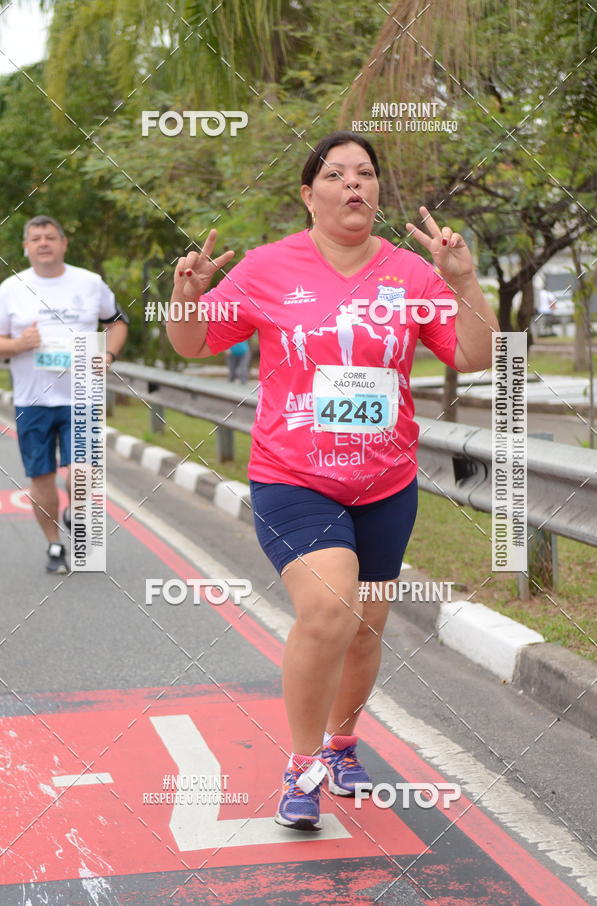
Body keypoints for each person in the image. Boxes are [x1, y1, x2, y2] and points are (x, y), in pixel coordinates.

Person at [167, 132, 499, 831]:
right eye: (338, 174)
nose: (355, 184)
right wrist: (187, 298)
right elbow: (193, 343)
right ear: (308, 194)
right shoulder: (264, 269)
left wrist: (464, 281)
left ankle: (342, 744)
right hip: (294, 476)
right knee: (329, 608)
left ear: (378, 192)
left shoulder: (412, 275)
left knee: (366, 625)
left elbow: (472, 355)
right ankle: (302, 766)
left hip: (385, 481)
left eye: (367, 174)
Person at [0, 215, 129, 574]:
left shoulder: (89, 283)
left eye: (51, 237)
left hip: (82, 395)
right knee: (40, 479)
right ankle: (55, 545)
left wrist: (108, 355)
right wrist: (18, 343)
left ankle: (75, 511)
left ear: (63, 243)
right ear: (25, 246)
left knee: (80, 474)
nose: (44, 243)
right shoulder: (10, 288)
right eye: (36, 238)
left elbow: (118, 322)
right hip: (33, 400)